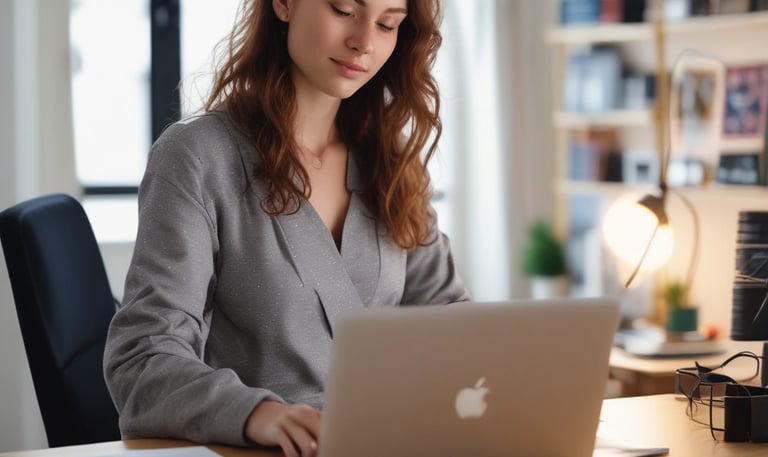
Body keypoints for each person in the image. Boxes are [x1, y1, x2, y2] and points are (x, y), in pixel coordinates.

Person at [103, 0, 470, 456]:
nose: (365, 42)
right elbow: (142, 357)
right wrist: (257, 414)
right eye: (342, 9)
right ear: (283, 3)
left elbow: (451, 321)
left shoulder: (392, 164)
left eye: (387, 24)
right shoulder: (197, 157)